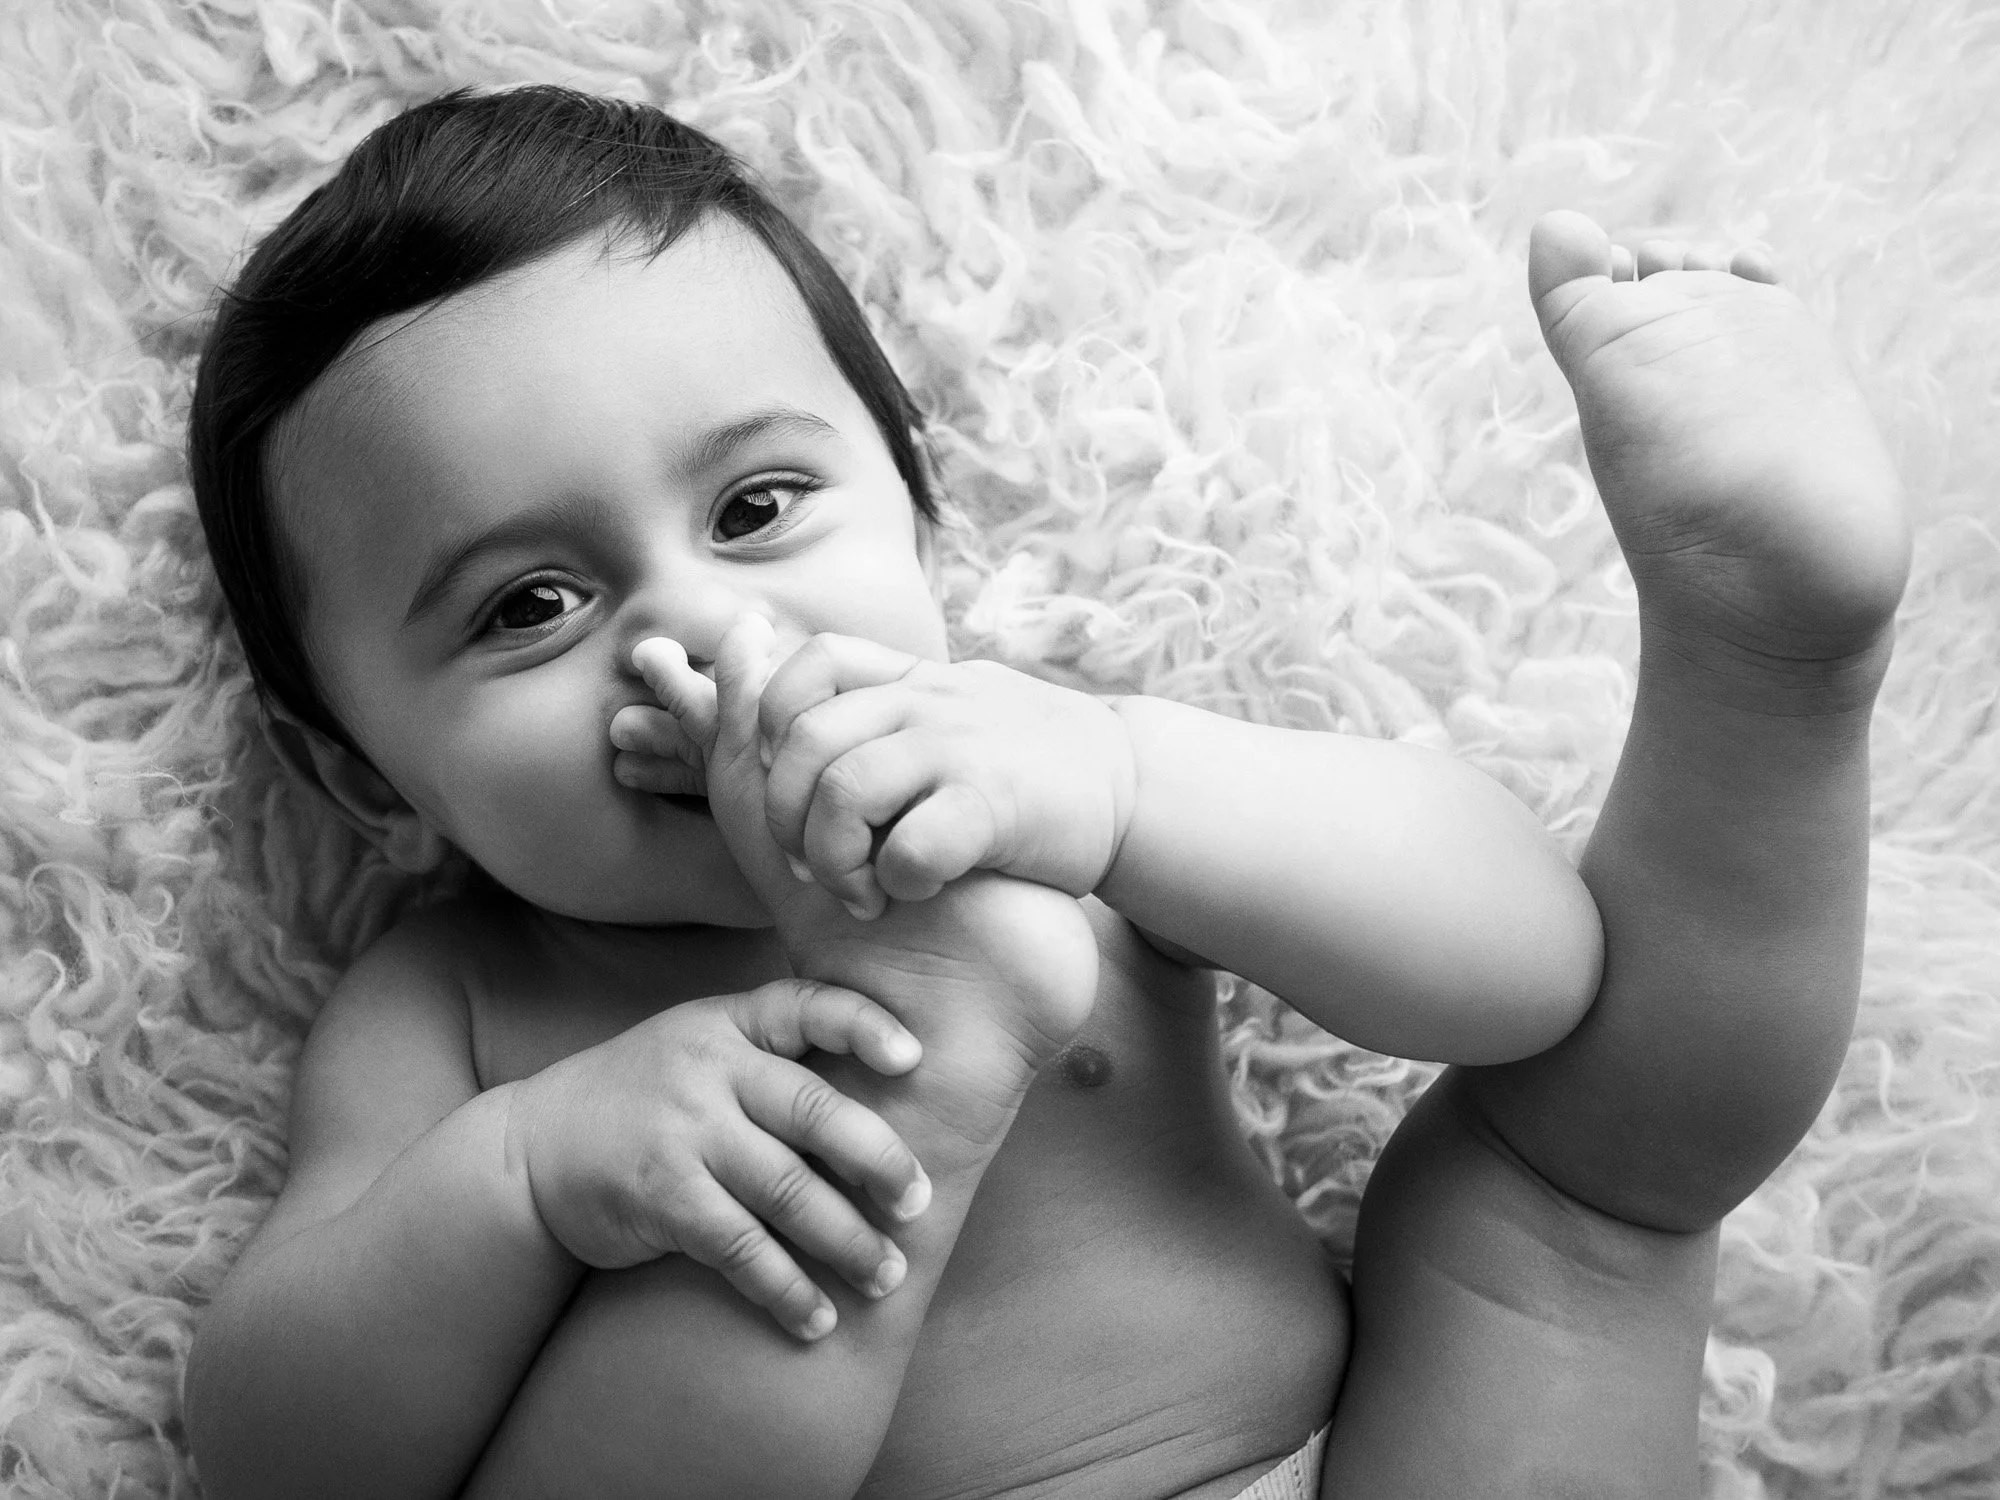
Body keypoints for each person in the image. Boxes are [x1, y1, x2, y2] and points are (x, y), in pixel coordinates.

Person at [179, 85, 1907, 1500]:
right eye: (528, 608)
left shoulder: (1052, 779)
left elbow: (1533, 973)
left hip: (1373, 1459)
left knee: (1572, 1192)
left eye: (759, 507)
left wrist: (1122, 783)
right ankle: (935, 1029)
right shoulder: (474, 1013)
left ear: (914, 516)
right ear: (365, 777)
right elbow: (280, 1462)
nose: (702, 627)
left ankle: (1766, 659)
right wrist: (528, 1181)